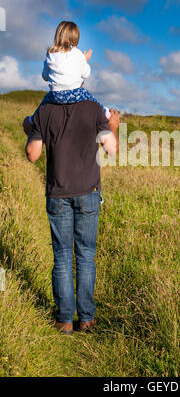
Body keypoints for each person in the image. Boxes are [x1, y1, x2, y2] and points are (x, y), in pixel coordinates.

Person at [22, 21, 120, 335]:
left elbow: (33, 155)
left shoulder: (43, 110)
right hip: (89, 190)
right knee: (86, 255)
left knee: (62, 255)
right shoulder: (93, 107)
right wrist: (113, 125)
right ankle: (87, 319)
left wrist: (31, 131)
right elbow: (111, 149)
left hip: (57, 192)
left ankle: (64, 320)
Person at [28, 21, 111, 124]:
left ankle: (33, 119)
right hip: (74, 94)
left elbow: (45, 76)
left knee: (44, 101)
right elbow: (86, 74)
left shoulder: (50, 54)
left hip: (55, 95)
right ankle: (105, 112)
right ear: (76, 38)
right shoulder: (78, 54)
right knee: (90, 97)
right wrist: (84, 60)